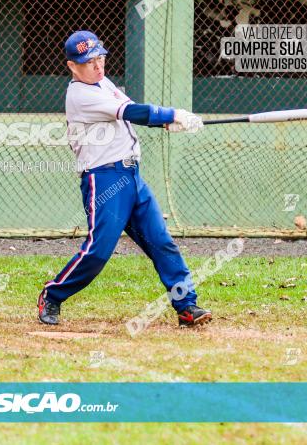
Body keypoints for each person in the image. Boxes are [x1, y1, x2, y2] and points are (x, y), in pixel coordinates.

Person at [37, 30, 212, 327]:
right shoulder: (80, 94)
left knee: (161, 241)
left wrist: (168, 124)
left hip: (132, 176)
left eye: (99, 58)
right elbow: (131, 111)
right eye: (88, 61)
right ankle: (52, 295)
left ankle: (187, 306)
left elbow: (131, 114)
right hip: (104, 179)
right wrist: (173, 114)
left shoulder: (103, 83)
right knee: (98, 251)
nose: (97, 66)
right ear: (72, 65)